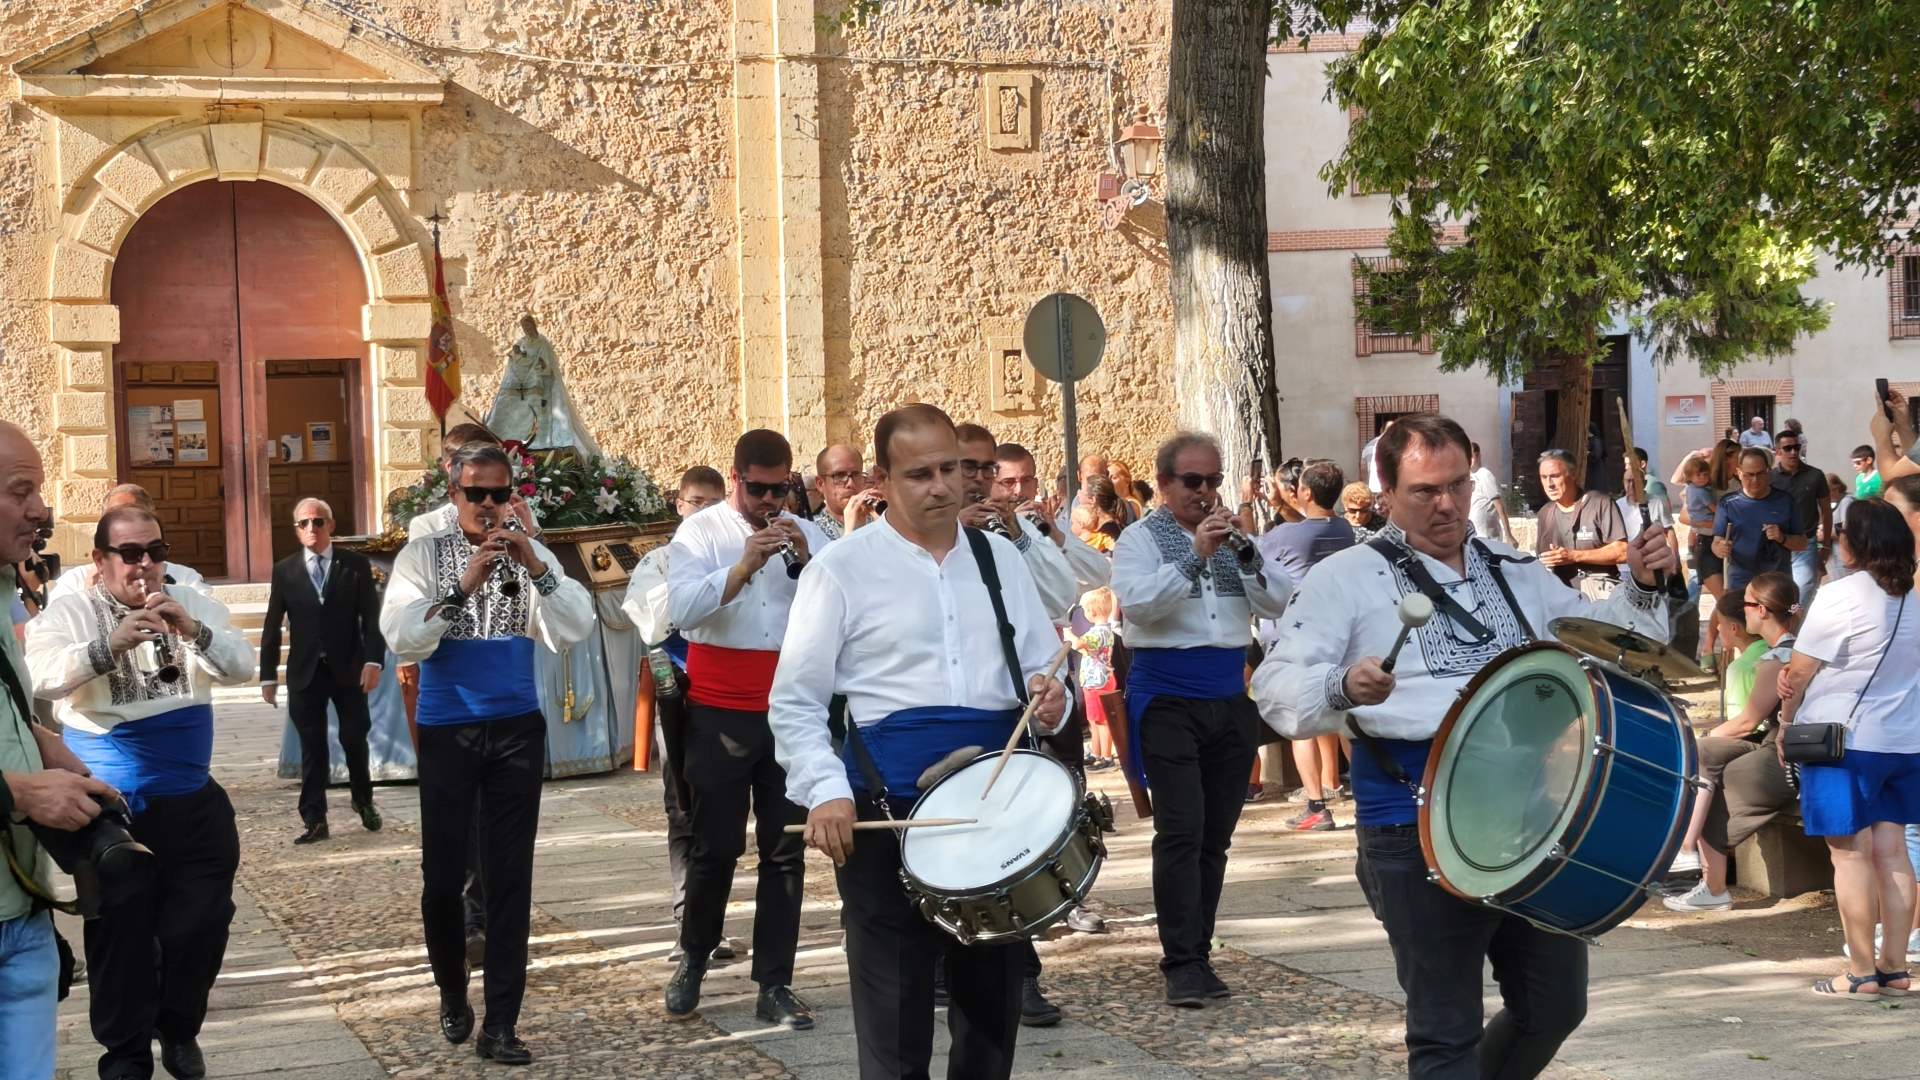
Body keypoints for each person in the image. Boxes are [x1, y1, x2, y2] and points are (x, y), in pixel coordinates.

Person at [1252, 413, 1676, 1079]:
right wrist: (1340, 684)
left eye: (1456, 484)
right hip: (1410, 821)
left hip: (1529, 818)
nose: (1446, 504)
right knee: (1444, 1030)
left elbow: (1609, 642)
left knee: (1554, 1005)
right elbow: (1275, 689)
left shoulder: (1513, 568)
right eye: (1424, 491)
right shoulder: (1345, 578)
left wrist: (1644, 584)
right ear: (1385, 492)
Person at [770, 403, 1068, 1080]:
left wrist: (1053, 699)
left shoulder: (999, 561)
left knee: (992, 1021)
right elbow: (795, 700)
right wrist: (825, 791)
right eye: (921, 473)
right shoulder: (840, 569)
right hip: (885, 816)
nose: (942, 486)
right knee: (894, 1027)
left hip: (993, 815)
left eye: (952, 469)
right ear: (883, 478)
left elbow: (1044, 667)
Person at [380, 443, 593, 1065]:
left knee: (510, 877)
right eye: (477, 494)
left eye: (500, 493)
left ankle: (501, 1022)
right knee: (442, 878)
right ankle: (452, 989)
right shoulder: (424, 554)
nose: (490, 505)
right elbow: (402, 637)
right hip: (450, 730)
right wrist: (463, 584)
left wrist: (538, 565)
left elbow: (573, 625)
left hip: (517, 730)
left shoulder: (532, 552)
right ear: (455, 495)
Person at [26, 505, 257, 1080]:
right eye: (130, 554)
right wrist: (109, 645)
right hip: (112, 813)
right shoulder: (73, 609)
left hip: (191, 800)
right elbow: (42, 677)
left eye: (156, 550)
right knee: (120, 939)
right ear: (102, 561)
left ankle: (178, 1027)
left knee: (201, 925)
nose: (146, 564)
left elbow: (242, 666)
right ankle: (125, 1057)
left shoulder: (191, 599)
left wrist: (194, 630)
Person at [1111, 432, 1293, 1005]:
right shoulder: (1140, 540)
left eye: (1213, 480)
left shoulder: (1236, 540)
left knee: (1216, 836)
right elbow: (1139, 607)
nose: (1206, 491)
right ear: (1164, 485)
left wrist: (1246, 553)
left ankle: (1201, 952)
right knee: (1182, 831)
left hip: (1227, 699)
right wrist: (1196, 556)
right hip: (1166, 698)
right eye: (1193, 481)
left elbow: (1278, 601)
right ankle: (1181, 962)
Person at [661, 430, 826, 1028]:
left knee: (784, 852)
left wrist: (807, 558)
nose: (767, 499)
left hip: (788, 709)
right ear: (735, 479)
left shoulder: (810, 532)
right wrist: (742, 566)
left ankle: (775, 982)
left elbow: (840, 605)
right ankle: (693, 959)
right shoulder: (699, 532)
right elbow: (681, 611)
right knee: (716, 847)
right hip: (719, 708)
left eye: (779, 487)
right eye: (756, 488)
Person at [0, 421, 121, 1080]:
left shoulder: (3, 584)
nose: (42, 510)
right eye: (22, 491)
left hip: (22, 914)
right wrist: (18, 793)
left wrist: (44, 743)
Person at [1777, 499, 1920, 999]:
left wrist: (1784, 724)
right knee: (1893, 852)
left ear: (1855, 543)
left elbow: (1797, 671)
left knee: (1850, 856)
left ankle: (1859, 971)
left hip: (1843, 742)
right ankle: (1895, 968)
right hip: (1903, 743)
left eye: (1841, 531)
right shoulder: (1915, 601)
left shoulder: (1840, 596)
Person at [619, 466, 732, 964]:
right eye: (694, 502)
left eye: (713, 503)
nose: (702, 512)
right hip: (680, 697)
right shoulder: (660, 561)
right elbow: (646, 617)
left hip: (730, 698)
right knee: (682, 808)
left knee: (727, 816)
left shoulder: (738, 556)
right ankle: (688, 920)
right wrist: (697, 585)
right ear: (679, 506)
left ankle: (716, 923)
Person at [1663, 574, 1800, 909]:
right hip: (1776, 741)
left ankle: (1708, 879)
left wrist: (1706, 736)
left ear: (1764, 611)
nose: (1744, 611)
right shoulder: (1780, 651)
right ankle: (1690, 855)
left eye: (1748, 605)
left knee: (1716, 780)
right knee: (1704, 755)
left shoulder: (1777, 657)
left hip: (1787, 751)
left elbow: (1748, 721)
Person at [259, 498, 385, 844]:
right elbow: (273, 625)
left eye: (317, 522)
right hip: (305, 671)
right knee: (312, 746)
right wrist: (268, 675)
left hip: (349, 668)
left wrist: (374, 661)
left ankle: (364, 801)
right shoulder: (285, 570)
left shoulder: (355, 565)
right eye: (304, 524)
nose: (311, 529)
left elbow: (372, 620)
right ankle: (314, 818)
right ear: (296, 530)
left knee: (354, 739)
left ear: (330, 525)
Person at [1256, 460, 1354, 831]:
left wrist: (1256, 506)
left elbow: (1252, 552)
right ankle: (1361, 796)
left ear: (1305, 493)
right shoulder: (1344, 529)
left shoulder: (1284, 537)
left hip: (1295, 637)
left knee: (1302, 724)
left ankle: (1316, 806)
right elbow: (1306, 525)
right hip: (1339, 635)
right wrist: (1283, 504)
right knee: (1346, 720)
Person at [47, 484, 210, 604]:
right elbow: (49, 637)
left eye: (136, 514)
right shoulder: (74, 582)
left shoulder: (185, 581)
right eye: (129, 553)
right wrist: (89, 596)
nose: (145, 563)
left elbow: (217, 634)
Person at [1711, 447, 1806, 599]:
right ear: (1739, 473)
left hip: (1778, 584)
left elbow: (1802, 543)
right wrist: (1720, 549)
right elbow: (1716, 543)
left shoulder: (1786, 501)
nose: (1755, 480)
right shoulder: (1728, 503)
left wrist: (1782, 537)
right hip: (1741, 584)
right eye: (1749, 475)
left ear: (1768, 472)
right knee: (1740, 622)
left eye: (1760, 473)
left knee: (1789, 617)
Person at [1534, 449, 1628, 597]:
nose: (1549, 484)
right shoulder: (1544, 513)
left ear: (1573, 474)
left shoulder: (1599, 503)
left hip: (1597, 598)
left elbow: (1622, 551)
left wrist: (1573, 556)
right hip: (1560, 598)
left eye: (1555, 476)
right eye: (1544, 477)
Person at [1770, 428, 1831, 607]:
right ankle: (1786, 627)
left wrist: (1826, 544)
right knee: (1777, 593)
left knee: (1802, 591)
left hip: (1806, 543)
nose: (1794, 452)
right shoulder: (1770, 478)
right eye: (1788, 448)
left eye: (1797, 447)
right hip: (1776, 545)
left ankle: (1794, 625)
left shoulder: (1815, 475)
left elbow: (1826, 511)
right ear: (1778, 452)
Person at [1615, 448, 1680, 584]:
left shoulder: (1656, 502)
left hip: (1651, 565)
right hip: (1624, 567)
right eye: (1628, 481)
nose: (1631, 486)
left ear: (1644, 484)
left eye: (1635, 481)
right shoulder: (1616, 506)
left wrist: (1675, 559)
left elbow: (1669, 531)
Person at [812, 445, 865, 542]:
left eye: (856, 474)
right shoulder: (811, 533)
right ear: (820, 484)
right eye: (839, 476)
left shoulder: (878, 520)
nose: (850, 483)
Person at [1468, 442, 1514, 544]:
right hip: (1474, 538)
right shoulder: (1468, 477)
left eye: (1471, 456)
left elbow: (1500, 506)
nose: (1469, 460)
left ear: (1478, 456)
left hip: (1488, 539)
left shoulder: (1485, 475)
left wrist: (1509, 535)